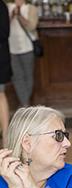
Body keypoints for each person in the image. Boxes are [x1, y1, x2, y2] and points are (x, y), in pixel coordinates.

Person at [8, 0, 38, 107]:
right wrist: (12, 16)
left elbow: (32, 27)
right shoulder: (8, 7)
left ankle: (24, 103)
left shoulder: (31, 8)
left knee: (28, 76)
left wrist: (19, 16)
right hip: (12, 48)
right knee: (16, 77)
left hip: (27, 47)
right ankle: (25, 104)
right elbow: (4, 27)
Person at [0, 0, 11, 148]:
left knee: (0, 94)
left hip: (0, 57)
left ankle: (6, 134)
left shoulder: (1, 6)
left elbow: (4, 33)